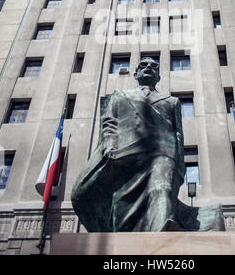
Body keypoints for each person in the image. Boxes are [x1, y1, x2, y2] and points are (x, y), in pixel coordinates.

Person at [71, 57, 185, 232]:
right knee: (122, 202)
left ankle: (164, 226)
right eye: (143, 65)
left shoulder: (171, 101)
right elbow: (109, 123)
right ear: (135, 73)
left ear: (159, 76)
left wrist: (180, 167)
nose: (149, 67)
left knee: (162, 187)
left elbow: (178, 134)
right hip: (128, 152)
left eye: (154, 66)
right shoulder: (120, 96)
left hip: (162, 152)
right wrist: (109, 145)